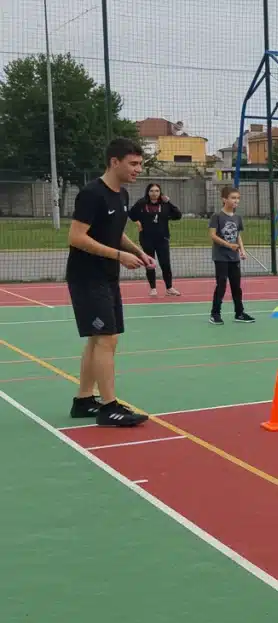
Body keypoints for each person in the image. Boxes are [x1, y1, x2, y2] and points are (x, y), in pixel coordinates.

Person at [65, 137, 154, 427]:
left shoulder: (123, 195)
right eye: (133, 163)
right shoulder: (92, 194)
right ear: (114, 162)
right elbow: (77, 237)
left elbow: (114, 231)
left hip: (106, 276)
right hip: (87, 277)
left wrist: (137, 251)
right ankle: (109, 407)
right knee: (107, 339)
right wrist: (118, 255)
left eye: (140, 163)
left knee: (97, 338)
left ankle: (83, 400)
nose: (138, 169)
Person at [209, 186, 254, 325]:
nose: (236, 201)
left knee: (236, 286)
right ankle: (215, 314)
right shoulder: (217, 216)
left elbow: (238, 235)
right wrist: (228, 245)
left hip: (234, 257)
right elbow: (212, 235)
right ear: (224, 199)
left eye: (238, 198)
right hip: (221, 256)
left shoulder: (237, 217)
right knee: (221, 285)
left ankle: (239, 313)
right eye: (233, 198)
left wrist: (242, 250)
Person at [128, 182, 182, 297]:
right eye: (152, 191)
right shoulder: (142, 203)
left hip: (162, 238)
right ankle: (153, 288)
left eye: (157, 191)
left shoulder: (164, 204)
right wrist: (138, 219)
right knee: (150, 263)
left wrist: (169, 202)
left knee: (165, 264)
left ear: (160, 192)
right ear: (148, 192)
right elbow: (132, 215)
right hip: (146, 239)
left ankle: (169, 288)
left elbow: (178, 215)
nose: (154, 193)